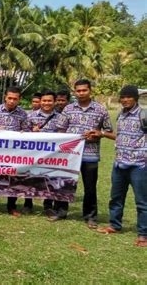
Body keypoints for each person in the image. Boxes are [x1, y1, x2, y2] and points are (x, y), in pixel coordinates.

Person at [56, 79, 115, 227]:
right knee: (65, 182)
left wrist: (99, 133)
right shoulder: (68, 109)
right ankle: (61, 211)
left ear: (90, 91)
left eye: (84, 90)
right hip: (69, 154)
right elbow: (60, 131)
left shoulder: (100, 109)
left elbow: (110, 133)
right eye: (78, 91)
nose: (81, 93)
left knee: (90, 187)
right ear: (74, 92)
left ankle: (90, 217)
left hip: (90, 154)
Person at [97, 85, 146, 248]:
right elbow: (120, 137)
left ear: (135, 98)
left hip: (139, 165)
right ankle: (115, 225)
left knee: (142, 202)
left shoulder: (143, 115)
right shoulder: (121, 115)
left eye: (128, 97)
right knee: (116, 198)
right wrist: (103, 134)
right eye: (122, 97)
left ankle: (143, 235)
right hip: (119, 164)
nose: (125, 100)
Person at [0, 86, 29, 217]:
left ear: (19, 99)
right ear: (5, 97)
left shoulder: (23, 114)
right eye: (9, 98)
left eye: (15, 99)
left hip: (14, 154)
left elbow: (26, 132)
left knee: (13, 179)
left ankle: (11, 207)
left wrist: (24, 133)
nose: (12, 101)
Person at [25, 90, 61, 215]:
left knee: (50, 179)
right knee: (30, 177)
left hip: (52, 155)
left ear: (54, 102)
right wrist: (31, 132)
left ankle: (48, 205)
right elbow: (23, 134)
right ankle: (28, 204)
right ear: (40, 102)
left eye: (49, 101)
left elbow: (64, 134)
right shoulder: (30, 116)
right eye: (44, 100)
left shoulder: (61, 117)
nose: (46, 103)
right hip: (34, 154)